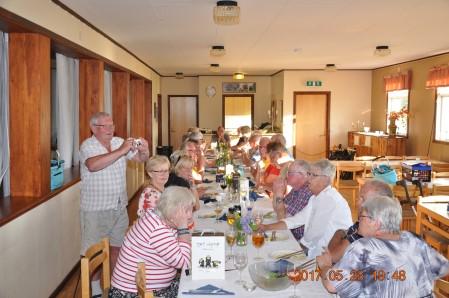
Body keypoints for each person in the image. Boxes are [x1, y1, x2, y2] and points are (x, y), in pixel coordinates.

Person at [316, 196, 449, 297]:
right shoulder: (413, 239)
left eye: (362, 217)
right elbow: (443, 268)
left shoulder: (364, 247)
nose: (358, 221)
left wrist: (325, 266)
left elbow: (331, 286)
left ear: (376, 223)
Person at [79, 112, 149, 296]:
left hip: (119, 207)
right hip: (96, 210)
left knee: (118, 248)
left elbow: (141, 159)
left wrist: (144, 150)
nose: (111, 129)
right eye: (106, 126)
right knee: (94, 253)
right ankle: (94, 292)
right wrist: (121, 151)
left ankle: (115, 287)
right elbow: (93, 165)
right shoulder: (88, 145)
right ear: (94, 128)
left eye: (112, 125)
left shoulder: (119, 142)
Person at [109, 186, 195, 298]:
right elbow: (184, 263)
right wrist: (183, 228)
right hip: (133, 294)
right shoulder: (157, 230)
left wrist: (183, 228)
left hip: (150, 288)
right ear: (173, 210)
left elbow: (179, 247)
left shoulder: (158, 217)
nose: (190, 215)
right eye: (187, 211)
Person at [259, 159, 352, 258]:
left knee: (271, 254)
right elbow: (296, 220)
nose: (308, 179)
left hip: (328, 258)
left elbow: (312, 235)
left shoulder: (330, 199)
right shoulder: (315, 197)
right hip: (316, 252)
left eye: (313, 175)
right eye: (308, 174)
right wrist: (266, 227)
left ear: (325, 179)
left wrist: (293, 252)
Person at [327, 179, 393, 263]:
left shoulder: (366, 233)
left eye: (363, 199)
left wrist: (339, 233)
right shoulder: (366, 222)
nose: (357, 202)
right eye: (359, 197)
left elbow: (330, 257)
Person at [271, 160, 313, 241]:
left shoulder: (306, 191)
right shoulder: (296, 188)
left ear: (302, 175)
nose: (287, 176)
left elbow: (283, 219)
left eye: (290, 173)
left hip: (297, 240)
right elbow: (277, 209)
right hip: (290, 233)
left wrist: (279, 194)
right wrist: (276, 192)